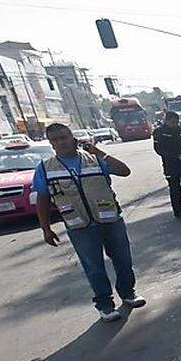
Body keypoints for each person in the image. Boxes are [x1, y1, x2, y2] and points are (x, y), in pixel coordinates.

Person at [34, 122, 146, 321]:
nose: (61, 142)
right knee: (94, 267)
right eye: (56, 140)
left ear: (73, 137)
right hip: (80, 226)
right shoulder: (45, 168)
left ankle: (128, 293)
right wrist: (46, 228)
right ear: (51, 144)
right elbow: (42, 199)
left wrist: (98, 151)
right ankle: (105, 305)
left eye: (64, 137)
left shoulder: (94, 159)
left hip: (110, 220)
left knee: (123, 259)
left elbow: (124, 171)